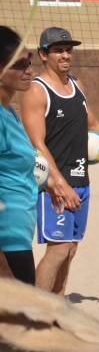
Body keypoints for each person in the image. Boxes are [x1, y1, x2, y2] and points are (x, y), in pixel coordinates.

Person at [20, 26, 99, 295]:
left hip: (82, 180)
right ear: (43, 54)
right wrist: (59, 183)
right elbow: (37, 145)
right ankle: (33, 313)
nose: (65, 55)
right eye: (58, 50)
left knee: (70, 249)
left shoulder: (77, 85)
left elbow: (92, 123)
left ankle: (56, 310)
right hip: (55, 186)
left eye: (68, 50)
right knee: (57, 250)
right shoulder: (36, 91)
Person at [0, 26, 37, 285]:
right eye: (21, 64)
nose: (30, 71)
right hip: (6, 242)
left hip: (18, 235)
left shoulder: (9, 112)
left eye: (30, 62)